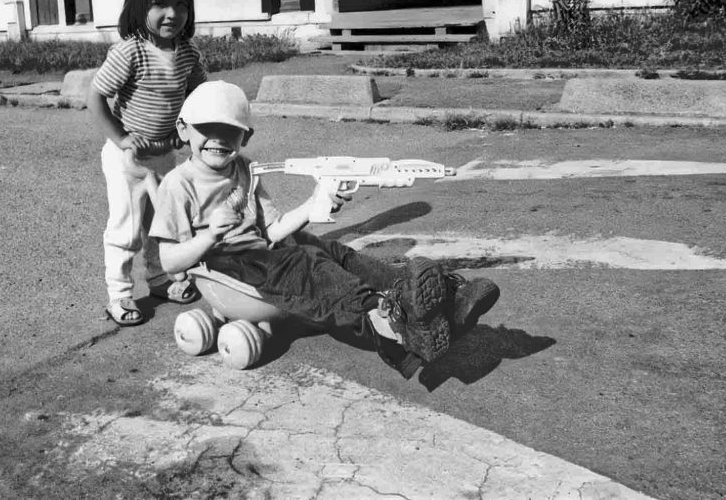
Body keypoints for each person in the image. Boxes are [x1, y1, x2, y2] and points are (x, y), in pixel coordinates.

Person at [149, 81, 500, 378]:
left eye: (230, 131)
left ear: (246, 136)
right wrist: (209, 235)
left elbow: (272, 229)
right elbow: (169, 262)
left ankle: (435, 300)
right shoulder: (179, 185)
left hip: (260, 251)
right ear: (183, 130)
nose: (218, 138)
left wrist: (315, 204)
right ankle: (394, 323)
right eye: (206, 129)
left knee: (334, 253)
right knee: (308, 268)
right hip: (226, 264)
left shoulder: (245, 168)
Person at [87, 0, 208, 326]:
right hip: (128, 159)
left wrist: (187, 131)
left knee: (161, 223)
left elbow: (198, 98)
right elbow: (95, 99)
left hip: (163, 155)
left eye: (181, 4)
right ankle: (119, 295)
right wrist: (122, 138)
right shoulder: (131, 52)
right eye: (160, 4)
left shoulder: (188, 54)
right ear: (139, 7)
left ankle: (159, 278)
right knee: (126, 226)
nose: (172, 13)